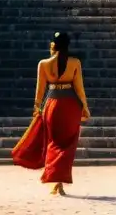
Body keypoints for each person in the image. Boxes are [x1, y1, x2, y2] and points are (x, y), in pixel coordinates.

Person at [33, 31, 90, 195]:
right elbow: (79, 88)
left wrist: (37, 106)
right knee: (68, 145)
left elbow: (40, 89)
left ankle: (56, 180)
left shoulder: (43, 64)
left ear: (53, 45)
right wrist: (84, 106)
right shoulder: (75, 62)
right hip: (70, 106)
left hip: (52, 106)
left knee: (53, 142)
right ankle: (60, 181)